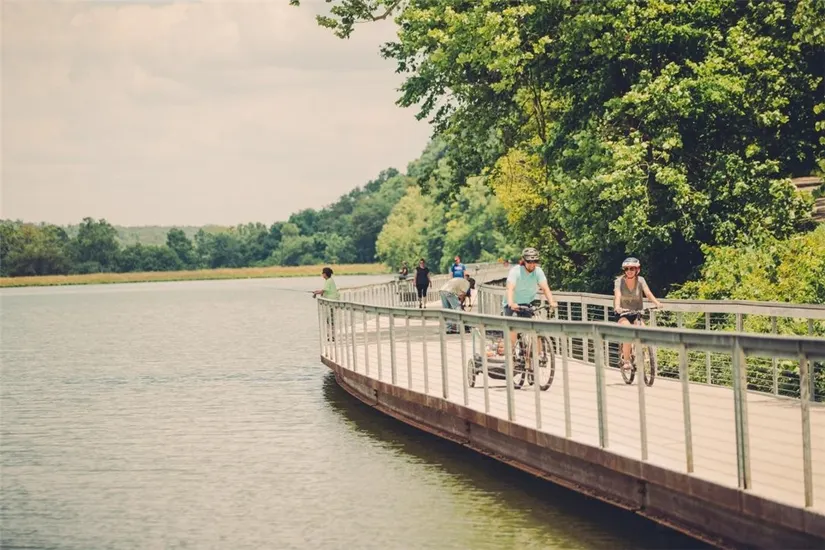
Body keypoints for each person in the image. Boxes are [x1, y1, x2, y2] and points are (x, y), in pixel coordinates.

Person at [503, 247, 558, 350]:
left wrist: (551, 302)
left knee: (536, 329)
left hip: (527, 303)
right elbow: (510, 289)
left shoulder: (538, 271)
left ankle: (538, 356)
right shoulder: (515, 271)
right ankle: (512, 353)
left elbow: (545, 288)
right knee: (513, 329)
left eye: (535, 261)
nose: (532, 264)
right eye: (529, 261)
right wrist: (511, 303)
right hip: (513, 304)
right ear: (523, 261)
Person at [614, 257, 662, 368]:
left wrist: (657, 303)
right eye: (626, 269)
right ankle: (626, 361)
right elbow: (618, 295)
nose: (629, 271)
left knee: (644, 331)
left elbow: (648, 293)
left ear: (637, 270)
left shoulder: (641, 280)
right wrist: (617, 307)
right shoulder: (619, 282)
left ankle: (642, 353)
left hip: (636, 312)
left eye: (632, 268)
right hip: (623, 313)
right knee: (627, 331)